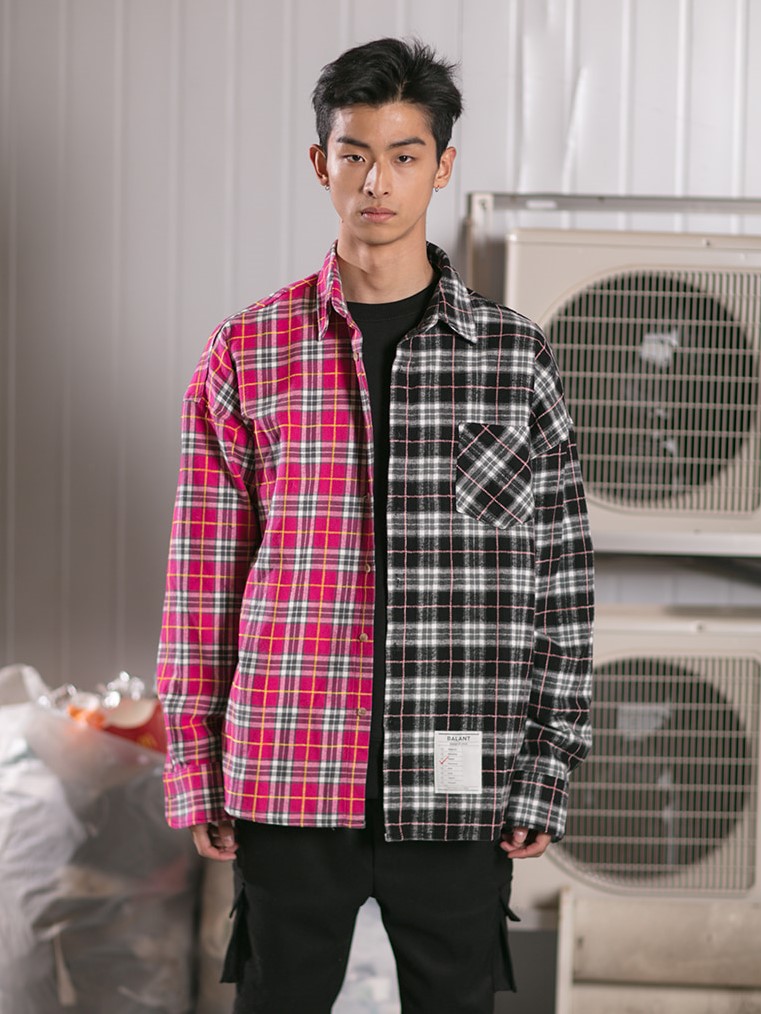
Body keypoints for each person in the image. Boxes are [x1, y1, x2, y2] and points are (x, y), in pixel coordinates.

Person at [156, 37, 594, 1014]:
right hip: (287, 764)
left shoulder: (512, 360)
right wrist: (195, 763)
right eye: (354, 154)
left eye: (403, 155)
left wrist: (546, 765)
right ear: (321, 164)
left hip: (459, 770)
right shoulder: (247, 352)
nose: (376, 181)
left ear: (442, 166)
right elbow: (201, 578)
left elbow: (560, 580)